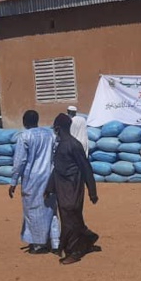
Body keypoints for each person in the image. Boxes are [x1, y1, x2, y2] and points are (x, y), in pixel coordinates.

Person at [46, 113, 99, 265]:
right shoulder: (61, 145)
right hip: (63, 188)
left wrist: (92, 191)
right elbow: (57, 170)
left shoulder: (74, 145)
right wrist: (50, 188)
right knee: (73, 217)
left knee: (70, 218)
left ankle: (74, 252)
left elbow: (86, 168)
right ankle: (88, 238)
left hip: (73, 188)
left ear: (58, 128)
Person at [9, 110, 61, 255]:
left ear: (24, 122)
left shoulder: (25, 136)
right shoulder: (50, 135)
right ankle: (55, 241)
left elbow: (19, 161)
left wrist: (13, 181)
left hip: (32, 179)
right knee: (51, 209)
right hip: (50, 177)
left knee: (33, 211)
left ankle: (39, 244)